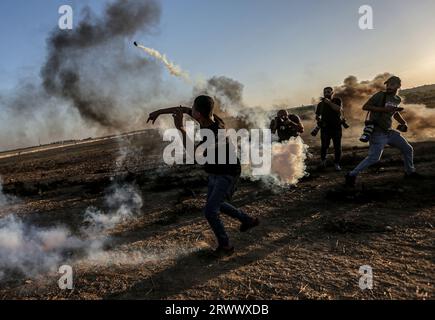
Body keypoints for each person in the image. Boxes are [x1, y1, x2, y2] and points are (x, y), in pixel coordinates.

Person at [147, 95, 260, 256]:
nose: (190, 111)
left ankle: (225, 245)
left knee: (210, 210)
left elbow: (195, 155)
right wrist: (158, 112)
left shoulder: (214, 132)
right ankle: (247, 220)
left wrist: (180, 128)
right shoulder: (211, 119)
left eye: (193, 109)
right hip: (215, 171)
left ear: (198, 114)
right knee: (217, 204)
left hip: (227, 173)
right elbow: (183, 110)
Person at [345, 76, 422, 187]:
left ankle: (410, 172)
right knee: (374, 158)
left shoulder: (397, 99)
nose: (389, 87)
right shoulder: (380, 95)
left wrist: (403, 122)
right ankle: (351, 175)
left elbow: (394, 113)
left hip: (389, 132)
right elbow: (365, 107)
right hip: (377, 132)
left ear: (398, 86)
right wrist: (384, 110)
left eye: (392, 84)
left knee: (408, 149)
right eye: (388, 84)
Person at [315, 87, 344, 171]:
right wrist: (319, 120)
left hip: (336, 127)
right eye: (325, 92)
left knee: (337, 146)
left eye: (328, 92)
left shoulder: (337, 100)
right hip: (325, 128)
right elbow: (317, 115)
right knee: (324, 146)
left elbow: (338, 109)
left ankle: (337, 163)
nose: (326, 93)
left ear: (332, 93)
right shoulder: (321, 104)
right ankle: (323, 162)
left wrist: (328, 102)